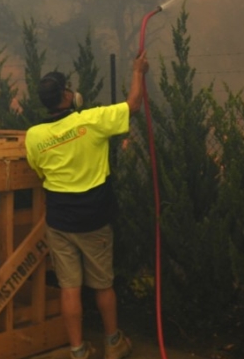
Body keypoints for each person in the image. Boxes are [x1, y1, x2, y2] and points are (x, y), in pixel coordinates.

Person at [25, 51, 149, 359]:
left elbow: (40, 174)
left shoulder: (34, 136)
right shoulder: (91, 121)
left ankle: (78, 351)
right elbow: (133, 105)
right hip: (94, 221)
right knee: (103, 285)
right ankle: (113, 343)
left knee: (70, 287)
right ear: (67, 95)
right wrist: (138, 72)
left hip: (59, 223)